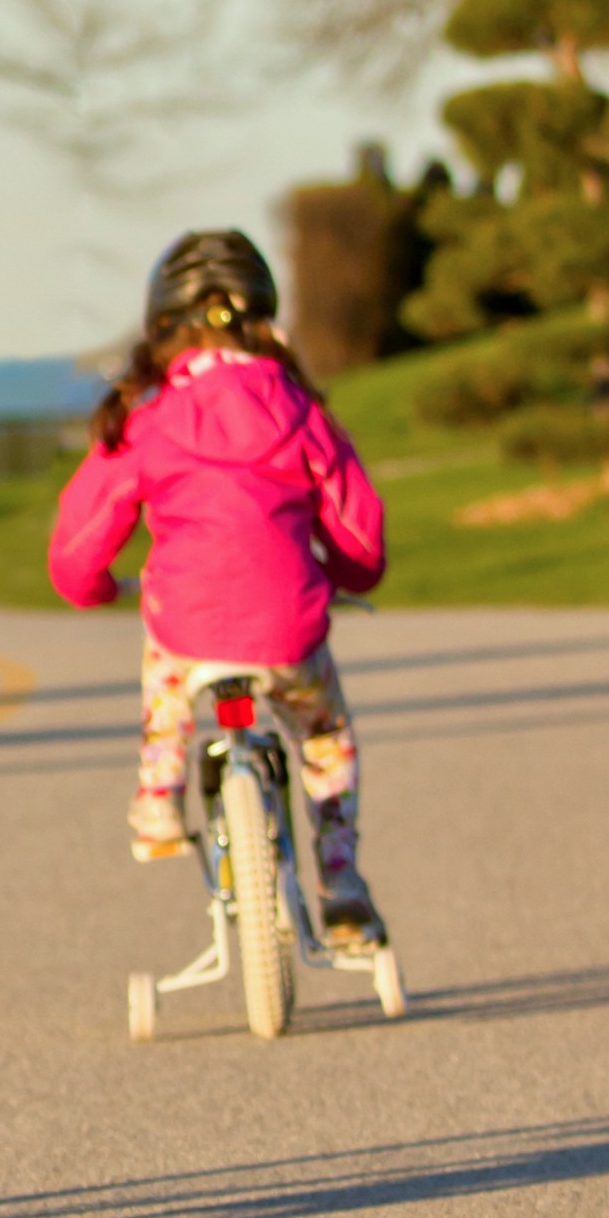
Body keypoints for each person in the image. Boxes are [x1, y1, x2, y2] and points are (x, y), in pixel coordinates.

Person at [47, 228, 391, 946]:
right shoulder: (302, 413)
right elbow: (358, 536)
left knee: (165, 661)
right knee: (323, 736)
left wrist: (92, 589)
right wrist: (341, 577)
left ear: (160, 329)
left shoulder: (143, 419)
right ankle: (341, 876)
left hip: (189, 626)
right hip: (289, 629)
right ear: (266, 324)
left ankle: (157, 796)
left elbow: (80, 542)